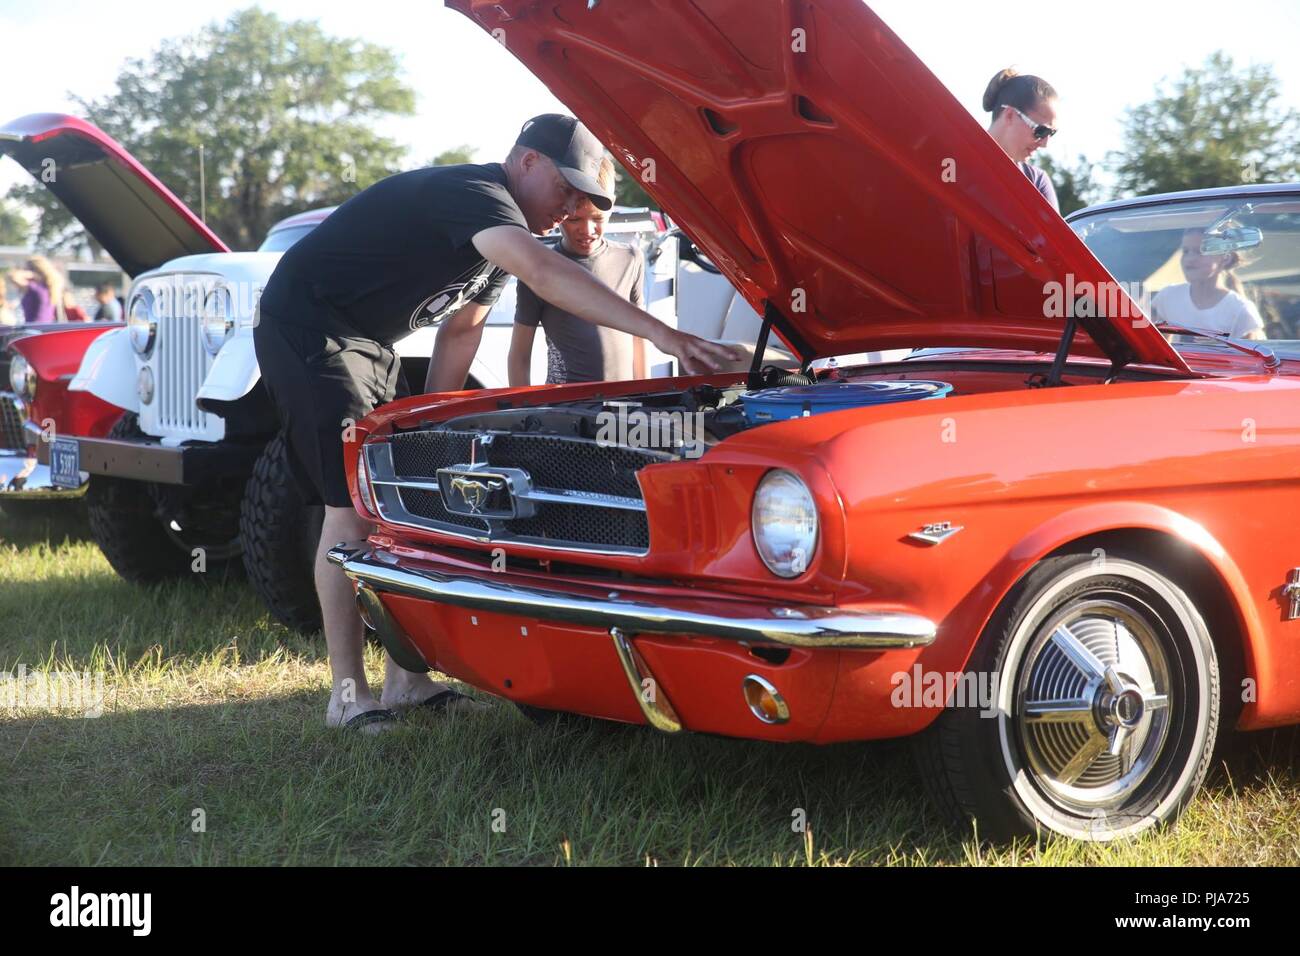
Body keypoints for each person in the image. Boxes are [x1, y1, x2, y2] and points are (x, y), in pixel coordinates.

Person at [255, 114, 738, 733]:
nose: (569, 211)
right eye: (565, 191)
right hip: (310, 332)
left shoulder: (499, 238)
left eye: (583, 202)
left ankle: (405, 680)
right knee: (347, 507)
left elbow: (463, 329)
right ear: (527, 162)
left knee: (392, 502)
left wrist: (428, 427)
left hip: (373, 343)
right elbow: (545, 273)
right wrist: (663, 334)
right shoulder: (476, 196)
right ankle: (347, 695)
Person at [508, 156, 647, 385]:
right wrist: (525, 409)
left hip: (624, 402)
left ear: (611, 205)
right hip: (567, 407)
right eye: (575, 220)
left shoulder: (631, 259)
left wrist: (647, 394)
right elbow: (519, 356)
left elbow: (640, 337)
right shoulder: (539, 268)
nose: (587, 230)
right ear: (562, 211)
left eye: (598, 218)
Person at [1151, 228, 1265, 340]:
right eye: (1186, 251)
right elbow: (1154, 344)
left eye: (1201, 251)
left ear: (1225, 258)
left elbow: (1256, 355)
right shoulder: (1167, 297)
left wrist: (1220, 348)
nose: (1189, 259)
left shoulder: (1240, 310)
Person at [983, 68, 1060, 212]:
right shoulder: (951, 162)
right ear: (1010, 115)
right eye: (1041, 131)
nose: (1045, 144)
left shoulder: (1036, 183)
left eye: (1052, 133)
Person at [6, 255, 63, 323]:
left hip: (34, 329)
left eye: (26, 269)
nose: (24, 271)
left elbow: (13, 276)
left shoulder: (35, 288)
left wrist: (32, 274)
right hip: (46, 328)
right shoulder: (49, 287)